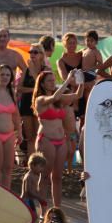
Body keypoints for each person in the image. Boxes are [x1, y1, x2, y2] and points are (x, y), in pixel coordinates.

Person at [32, 70, 79, 208]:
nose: (53, 83)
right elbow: (53, 98)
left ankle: (57, 209)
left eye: (54, 80)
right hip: (46, 139)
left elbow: (78, 95)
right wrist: (68, 80)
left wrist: (81, 81)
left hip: (60, 140)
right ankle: (43, 208)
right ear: (42, 84)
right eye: (49, 81)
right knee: (45, 175)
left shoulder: (59, 99)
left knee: (57, 177)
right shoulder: (40, 99)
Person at [21, 152, 47, 223]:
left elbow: (35, 189)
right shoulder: (29, 176)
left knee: (33, 216)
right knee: (31, 216)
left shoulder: (35, 175)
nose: (42, 169)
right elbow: (28, 191)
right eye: (40, 167)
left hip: (30, 200)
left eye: (43, 167)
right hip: (26, 200)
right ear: (32, 165)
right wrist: (39, 198)